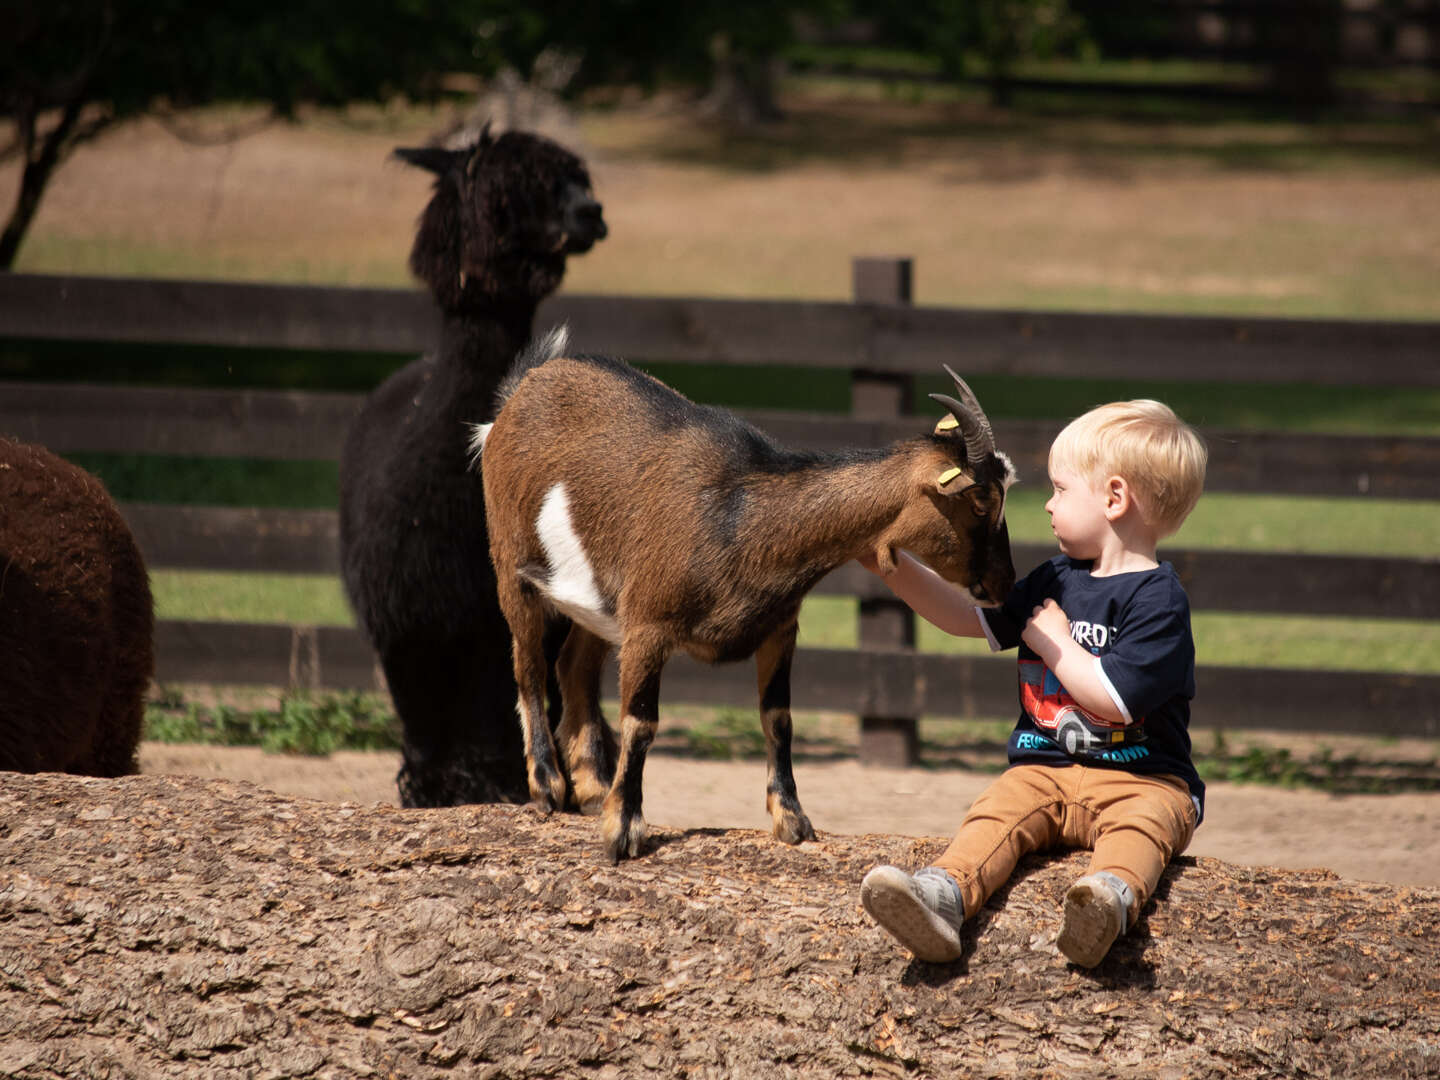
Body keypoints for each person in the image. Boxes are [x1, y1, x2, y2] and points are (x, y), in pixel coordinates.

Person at [859, 399, 1208, 968]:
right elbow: (964, 618)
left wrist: (1055, 644)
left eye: (1060, 489)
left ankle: (1106, 902)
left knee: (1145, 828)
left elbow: (1116, 702)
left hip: (1145, 778)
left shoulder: (1159, 602)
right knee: (995, 812)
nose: (1047, 505)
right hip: (1043, 771)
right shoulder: (1054, 578)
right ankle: (942, 895)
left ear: (1115, 499)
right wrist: (891, 566)